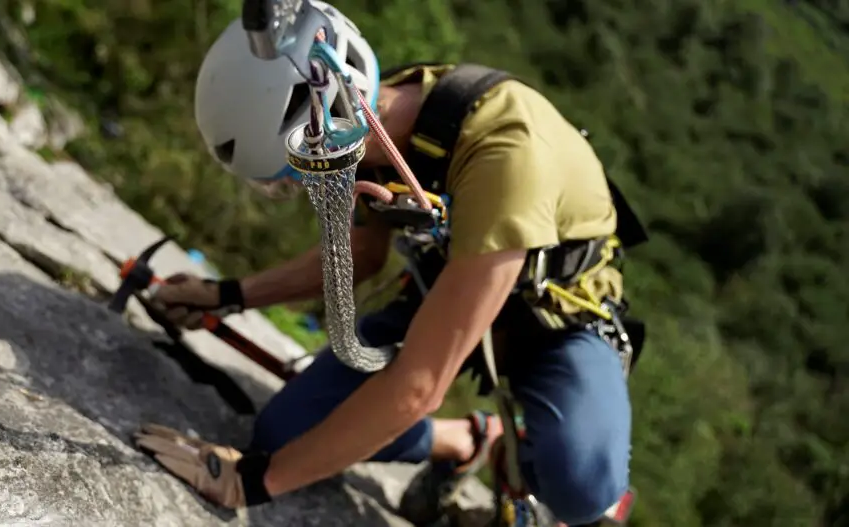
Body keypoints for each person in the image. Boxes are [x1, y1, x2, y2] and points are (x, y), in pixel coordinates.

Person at [133, 3, 638, 526]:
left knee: (581, 486)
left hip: (554, 320)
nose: (303, 186)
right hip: (445, 285)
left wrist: (252, 482)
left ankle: (539, 466)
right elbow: (359, 256)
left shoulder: (505, 158)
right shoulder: (375, 118)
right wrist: (227, 295)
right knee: (284, 438)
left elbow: (421, 385)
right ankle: (466, 439)